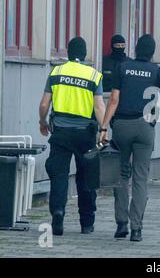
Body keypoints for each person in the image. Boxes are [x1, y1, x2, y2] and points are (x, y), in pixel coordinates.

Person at [99, 34, 160, 242]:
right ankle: (136, 228)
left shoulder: (123, 67)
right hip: (145, 128)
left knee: (121, 175)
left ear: (136, 48)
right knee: (140, 178)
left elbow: (113, 100)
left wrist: (103, 126)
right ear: (152, 52)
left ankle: (121, 224)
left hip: (121, 126)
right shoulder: (157, 72)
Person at [39, 37, 106, 236]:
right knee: (86, 178)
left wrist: (42, 122)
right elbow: (99, 105)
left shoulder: (56, 71)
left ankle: (58, 212)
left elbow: (44, 104)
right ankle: (87, 223)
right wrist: (103, 129)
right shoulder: (94, 75)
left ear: (68, 52)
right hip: (85, 134)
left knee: (59, 175)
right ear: (84, 54)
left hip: (60, 132)